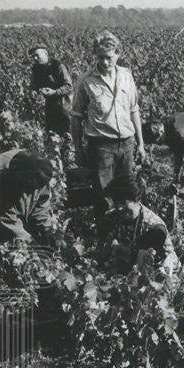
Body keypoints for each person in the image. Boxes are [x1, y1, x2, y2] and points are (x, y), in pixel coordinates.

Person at [69, 31, 145, 228]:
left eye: (108, 57)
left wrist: (141, 144)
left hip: (127, 143)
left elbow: (134, 110)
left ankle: (129, 233)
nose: (104, 62)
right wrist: (78, 149)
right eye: (100, 57)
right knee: (104, 195)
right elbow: (76, 117)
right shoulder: (86, 81)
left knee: (129, 192)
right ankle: (107, 236)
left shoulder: (127, 76)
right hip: (101, 146)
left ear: (118, 54)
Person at [101, 174, 177, 275]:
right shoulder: (112, 216)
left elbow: (145, 266)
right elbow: (104, 249)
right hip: (127, 263)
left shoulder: (153, 227)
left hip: (157, 269)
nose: (119, 207)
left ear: (137, 200)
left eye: (124, 203)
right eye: (116, 202)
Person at [29, 46, 73, 135]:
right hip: (50, 103)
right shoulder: (36, 68)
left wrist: (54, 92)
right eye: (33, 57)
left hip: (64, 104)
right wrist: (33, 91)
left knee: (66, 132)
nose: (35, 58)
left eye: (37, 55)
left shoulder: (58, 66)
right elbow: (34, 85)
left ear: (45, 54)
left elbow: (69, 86)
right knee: (51, 131)